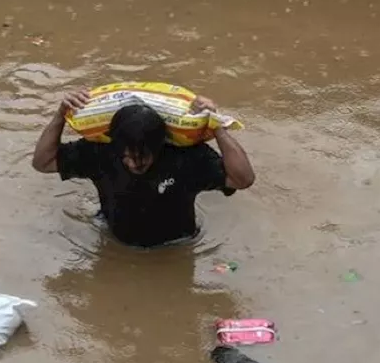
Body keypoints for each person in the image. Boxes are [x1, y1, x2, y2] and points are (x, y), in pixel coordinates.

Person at [32, 90, 254, 248]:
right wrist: (61, 114)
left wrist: (217, 127)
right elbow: (43, 162)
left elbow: (243, 179)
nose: (133, 164)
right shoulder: (100, 152)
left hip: (177, 247)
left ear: (160, 146)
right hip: (115, 243)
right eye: (126, 156)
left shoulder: (187, 158)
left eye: (143, 156)